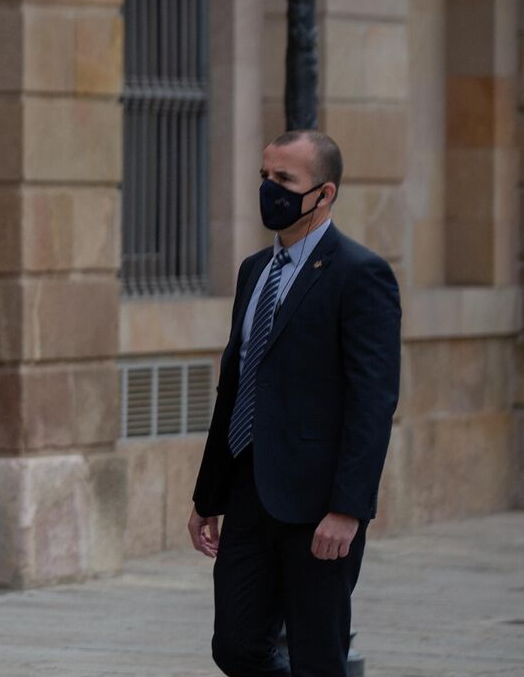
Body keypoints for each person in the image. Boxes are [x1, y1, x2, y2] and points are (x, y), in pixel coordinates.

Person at [187, 130, 401, 677]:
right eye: (265, 176)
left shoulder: (360, 274)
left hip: (318, 505)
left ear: (323, 194)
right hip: (249, 493)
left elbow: (372, 401)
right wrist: (208, 495)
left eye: (284, 180)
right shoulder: (254, 270)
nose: (269, 190)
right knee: (234, 647)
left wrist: (348, 509)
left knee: (316, 654)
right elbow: (236, 383)